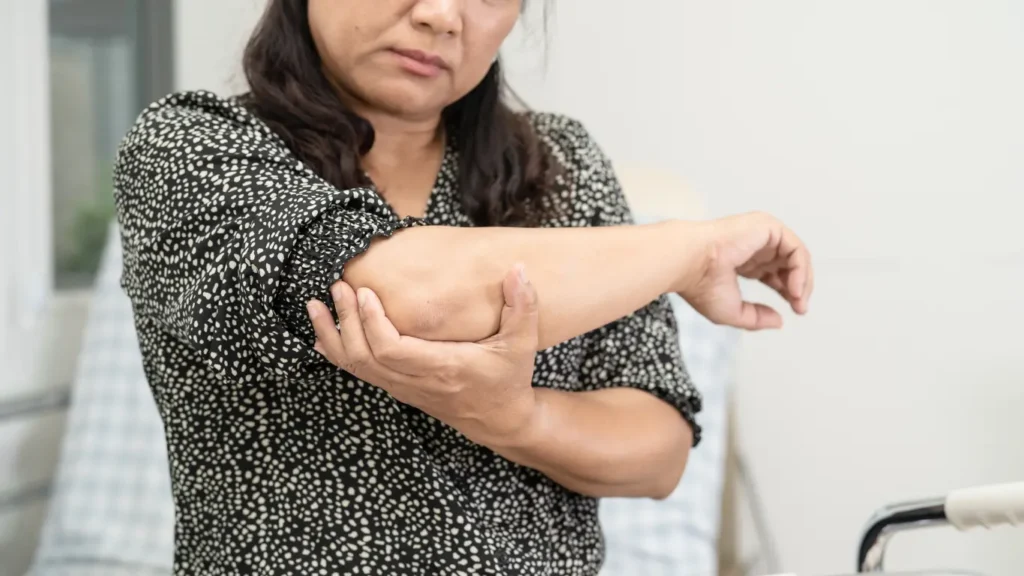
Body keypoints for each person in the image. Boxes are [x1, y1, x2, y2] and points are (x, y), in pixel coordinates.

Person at [113, 0, 813, 574]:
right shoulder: (190, 146)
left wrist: (515, 418)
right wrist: (692, 251)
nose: (443, 16)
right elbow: (412, 299)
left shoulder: (561, 165)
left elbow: (659, 452)